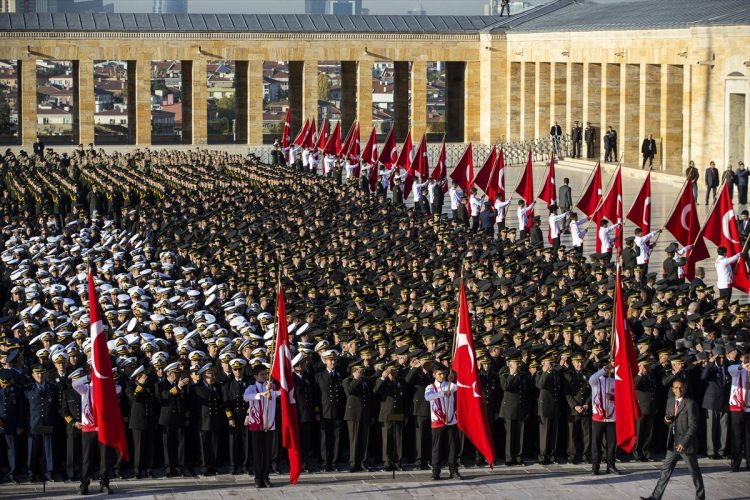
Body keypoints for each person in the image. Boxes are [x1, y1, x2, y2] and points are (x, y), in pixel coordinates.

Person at [640, 379, 705, 500]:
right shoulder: (670, 401)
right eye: (676, 388)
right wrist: (667, 420)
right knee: (665, 471)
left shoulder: (690, 404)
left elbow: (693, 426)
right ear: (672, 389)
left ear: (685, 388)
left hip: (686, 444)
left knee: (694, 472)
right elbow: (667, 420)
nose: (678, 390)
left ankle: (700, 497)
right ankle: (655, 497)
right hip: (673, 442)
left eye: (680, 387)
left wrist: (684, 443)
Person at [243, 364, 280, 489]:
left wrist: (274, 387)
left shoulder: (271, 388)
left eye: (266, 374)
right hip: (256, 425)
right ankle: (258, 478)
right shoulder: (252, 388)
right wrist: (260, 395)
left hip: (269, 425)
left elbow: (282, 392)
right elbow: (246, 397)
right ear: (255, 376)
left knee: (268, 453)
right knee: (258, 453)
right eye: (262, 374)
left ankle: (266, 477)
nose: (265, 376)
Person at [424, 363, 460, 480]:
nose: (442, 376)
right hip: (437, 421)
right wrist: (443, 394)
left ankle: (453, 470)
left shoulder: (450, 385)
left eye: (443, 374)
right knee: (436, 447)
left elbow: (460, 385)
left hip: (450, 421)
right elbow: (428, 397)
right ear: (434, 375)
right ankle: (436, 471)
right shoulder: (430, 387)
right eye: (439, 374)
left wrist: (453, 376)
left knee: (452, 447)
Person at [589, 360, 619, 475]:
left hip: (612, 417)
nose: (608, 370)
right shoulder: (596, 381)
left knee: (611, 444)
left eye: (609, 368)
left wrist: (612, 397)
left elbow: (620, 399)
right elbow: (591, 379)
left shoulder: (614, 381)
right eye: (605, 368)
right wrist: (605, 369)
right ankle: (595, 467)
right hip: (598, 418)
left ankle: (611, 466)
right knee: (596, 444)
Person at [343, 359, 372, 473]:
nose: (362, 372)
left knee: (364, 439)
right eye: (359, 370)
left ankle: (363, 462)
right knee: (354, 439)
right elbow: (349, 391)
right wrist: (356, 378)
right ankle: (353, 463)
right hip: (353, 414)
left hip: (365, 413)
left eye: (362, 370)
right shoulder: (348, 380)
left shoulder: (365, 381)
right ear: (354, 371)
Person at [727, 350, 750, 472]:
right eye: (746, 358)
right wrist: (742, 366)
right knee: (737, 437)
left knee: (749, 437)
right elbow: (731, 369)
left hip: (749, 408)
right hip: (737, 408)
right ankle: (735, 463)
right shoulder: (737, 370)